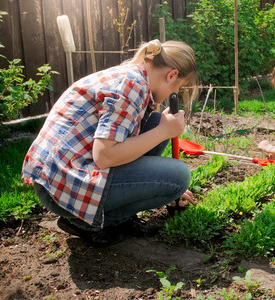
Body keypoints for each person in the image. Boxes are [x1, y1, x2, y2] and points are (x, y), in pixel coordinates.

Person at [21, 40, 199, 247]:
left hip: (59, 176)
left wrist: (156, 181)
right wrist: (163, 138)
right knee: (178, 176)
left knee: (156, 124)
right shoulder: (132, 86)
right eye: (179, 87)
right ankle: (88, 223)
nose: (174, 93)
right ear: (171, 75)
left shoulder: (132, 77)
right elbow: (104, 156)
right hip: (63, 186)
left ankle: (109, 215)